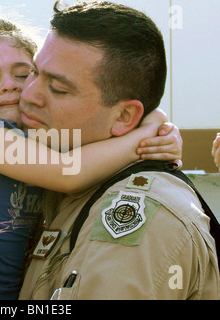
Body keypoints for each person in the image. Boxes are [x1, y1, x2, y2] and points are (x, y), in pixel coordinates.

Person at [0, 18, 181, 300]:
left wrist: (162, 131)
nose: (10, 86)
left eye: (23, 74)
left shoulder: (31, 137)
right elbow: (68, 171)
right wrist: (144, 140)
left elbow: (104, 137)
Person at [18, 1, 219, 300]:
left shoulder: (142, 215)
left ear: (124, 117)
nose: (29, 94)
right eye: (34, 73)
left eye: (58, 89)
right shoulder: (71, 185)